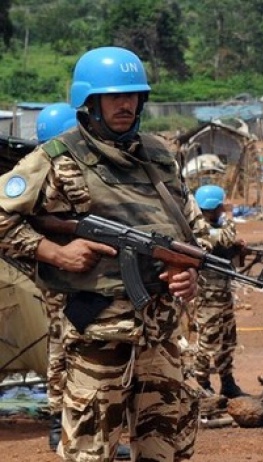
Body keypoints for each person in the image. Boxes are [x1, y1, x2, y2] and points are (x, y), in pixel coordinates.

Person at [0, 46, 205, 461]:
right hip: (96, 335)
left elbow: (189, 229)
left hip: (161, 335)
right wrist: (54, 253)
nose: (126, 104)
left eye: (133, 96)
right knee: (91, 453)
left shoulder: (161, 157)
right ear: (89, 101)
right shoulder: (57, 159)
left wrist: (188, 272)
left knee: (168, 447)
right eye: (115, 97)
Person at [36, 103, 134, 460]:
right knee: (66, 348)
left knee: (62, 346)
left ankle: (63, 424)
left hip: (71, 278)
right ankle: (61, 426)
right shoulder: (51, 171)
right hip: (67, 279)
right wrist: (56, 251)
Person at [191, 184, 247, 398]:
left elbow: (228, 247)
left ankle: (227, 381)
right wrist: (232, 217)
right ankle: (201, 382)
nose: (223, 210)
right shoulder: (201, 229)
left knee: (227, 339)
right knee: (208, 341)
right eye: (221, 206)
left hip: (222, 295)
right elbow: (224, 237)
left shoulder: (216, 226)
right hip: (207, 297)